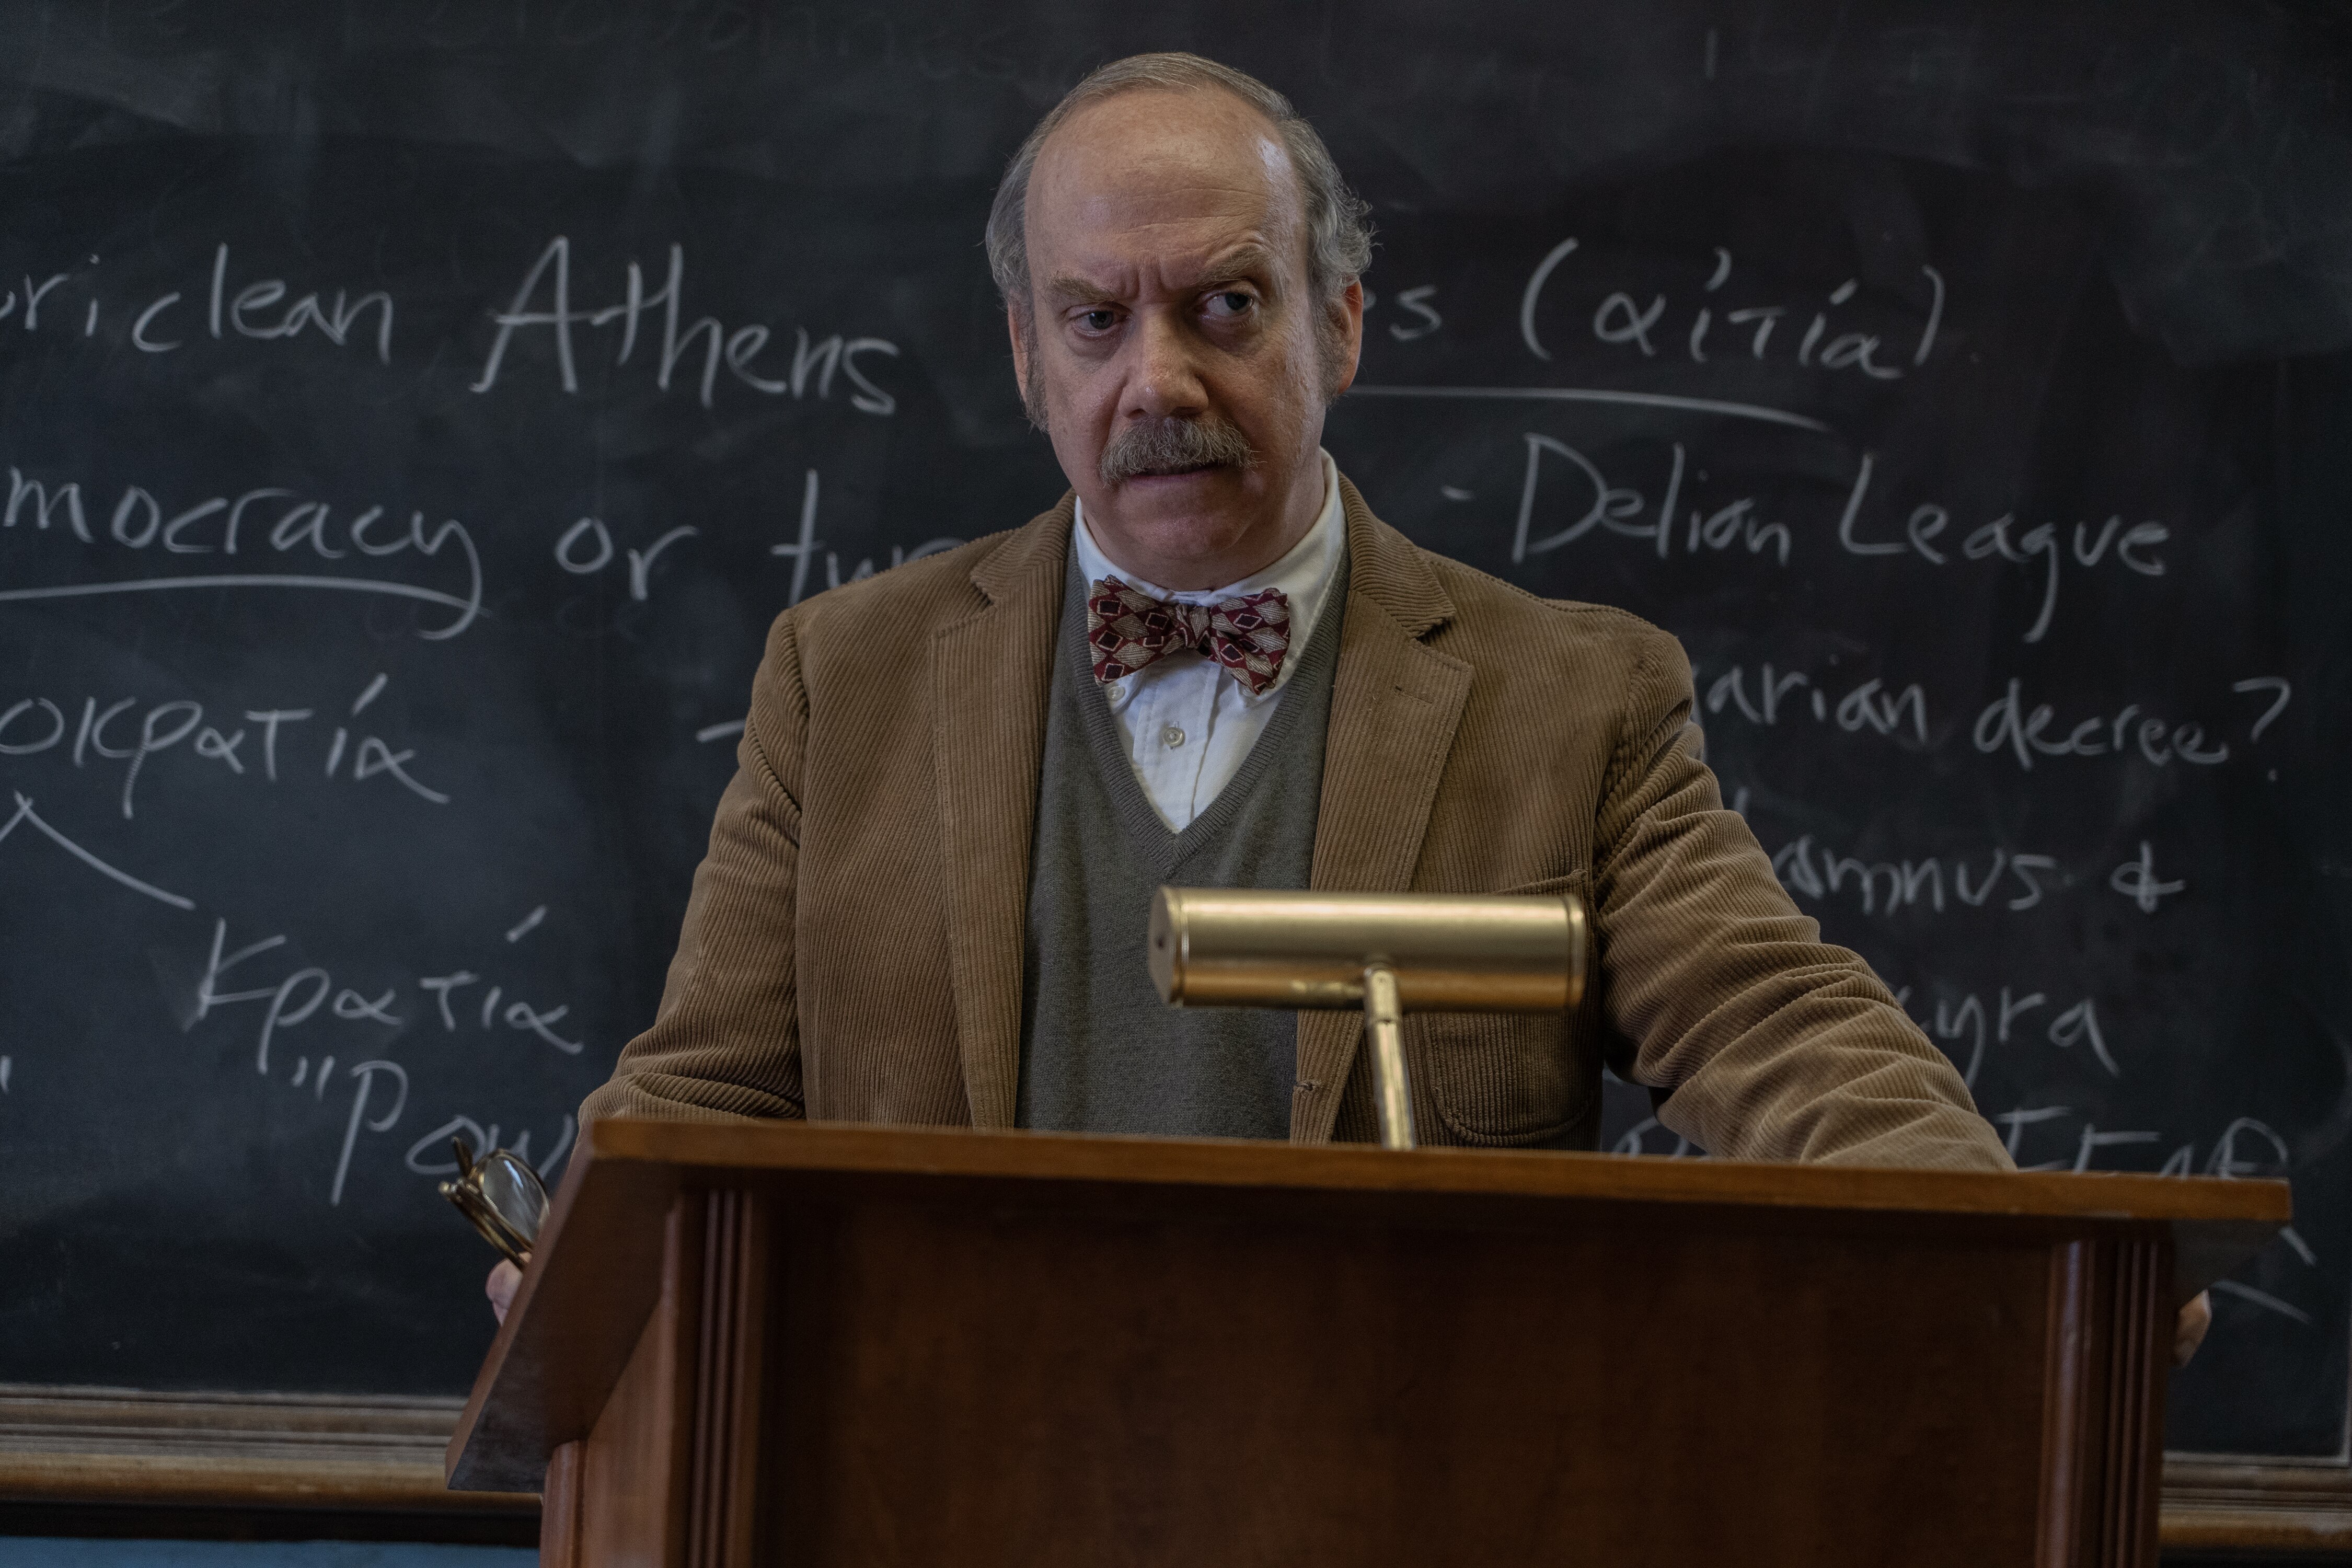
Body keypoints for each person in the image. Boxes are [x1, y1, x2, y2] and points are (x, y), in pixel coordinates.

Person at [486, 52, 2210, 1363]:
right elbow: (700, 1108)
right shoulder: (841, 679)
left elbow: (1771, 1026)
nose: (1155, 378)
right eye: (1096, 320)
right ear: (1026, 358)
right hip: (938, 1492)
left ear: (1341, 324)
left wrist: (2017, 1257)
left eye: (1224, 306)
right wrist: (579, 1271)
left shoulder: (1568, 696)